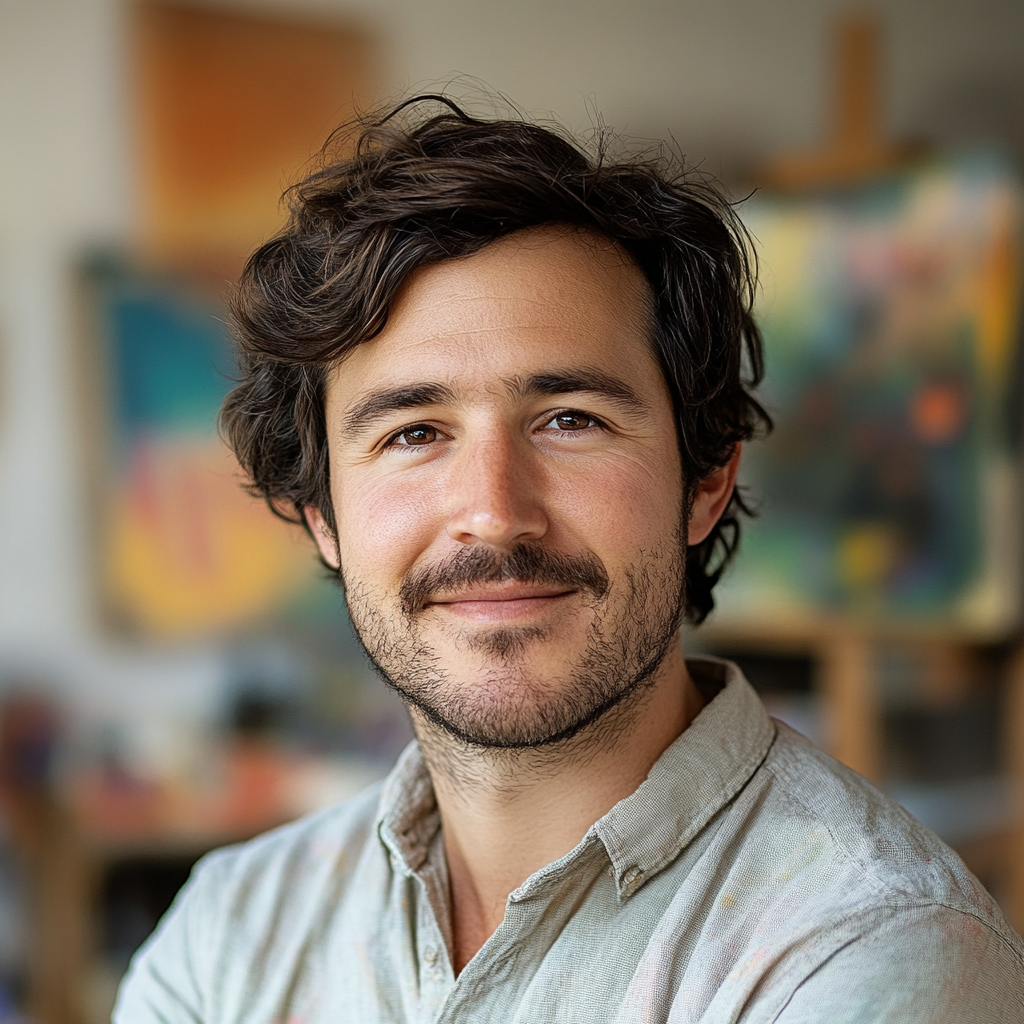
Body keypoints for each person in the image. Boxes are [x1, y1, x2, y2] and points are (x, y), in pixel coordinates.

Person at [114, 96, 1024, 1023]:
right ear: (323, 518)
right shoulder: (225, 937)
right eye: (414, 432)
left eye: (570, 420)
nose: (494, 514)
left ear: (704, 479)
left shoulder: (871, 952)